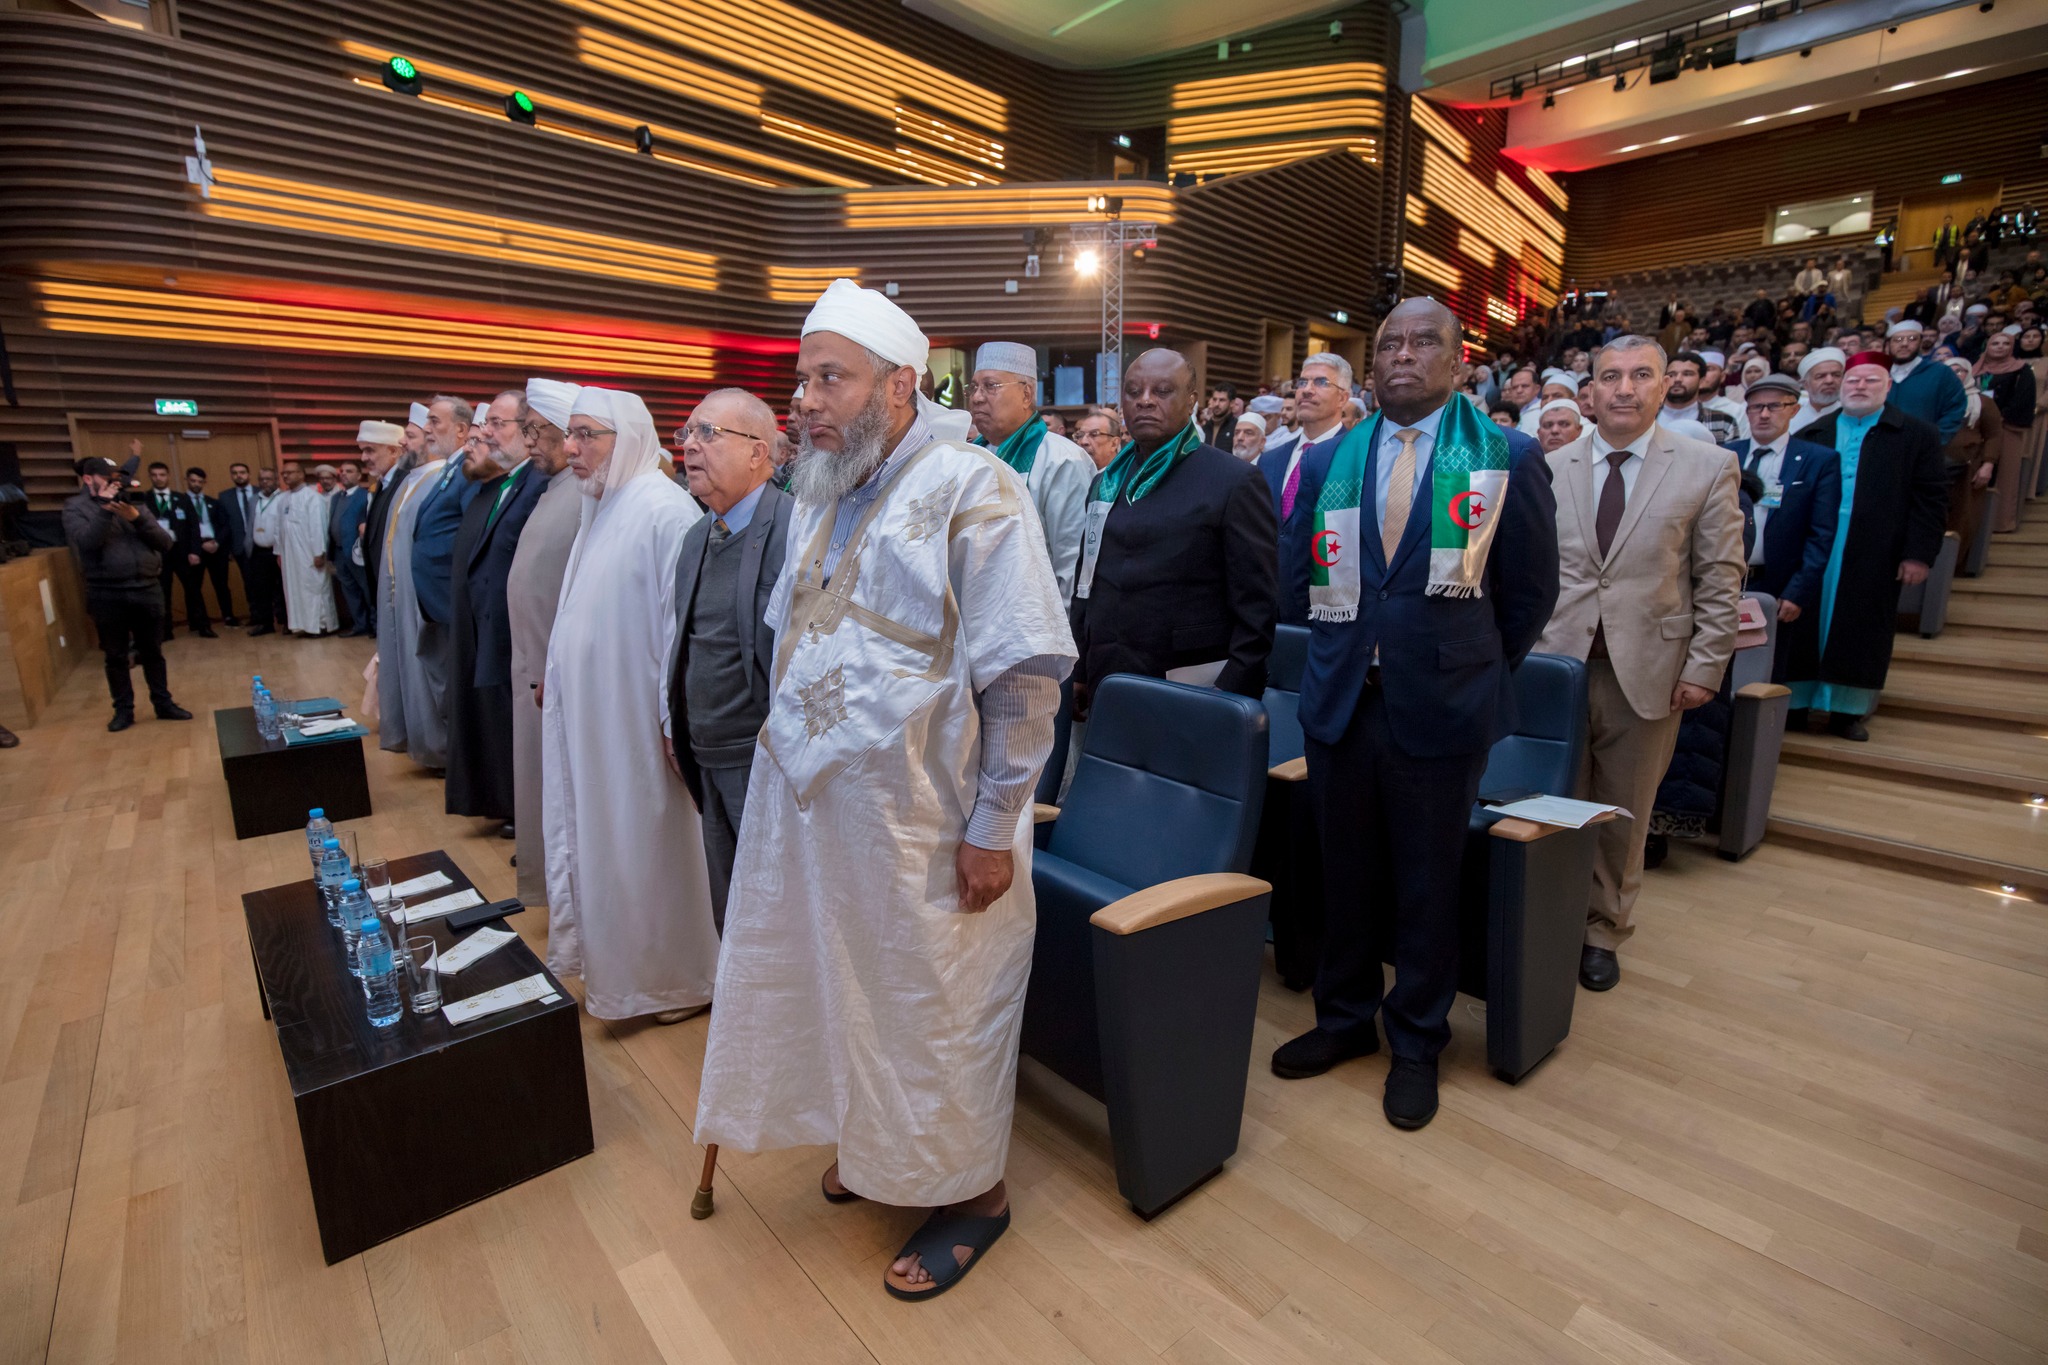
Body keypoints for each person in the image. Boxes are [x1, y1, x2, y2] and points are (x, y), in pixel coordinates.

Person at [695, 278, 1074, 1301]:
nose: (806, 400)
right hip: (826, 817)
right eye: (802, 379)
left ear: (900, 385)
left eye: (832, 378)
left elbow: (1023, 676)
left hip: (929, 823)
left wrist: (993, 823)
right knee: (849, 994)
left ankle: (974, 1194)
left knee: (934, 1004)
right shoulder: (824, 491)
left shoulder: (972, 487)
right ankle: (879, 1153)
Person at [1268, 298, 1558, 1132]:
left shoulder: (1507, 455)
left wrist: (1460, 664)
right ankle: (1344, 1018)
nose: (1403, 353)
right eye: (1390, 342)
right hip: (1341, 702)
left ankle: (1418, 1041)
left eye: (1424, 341)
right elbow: (1297, 581)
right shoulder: (1332, 457)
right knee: (1344, 873)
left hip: (1442, 704)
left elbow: (1530, 593)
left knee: (1429, 884)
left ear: (1458, 361)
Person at [1534, 336, 1745, 993]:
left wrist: (1706, 665)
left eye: (1641, 375)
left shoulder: (1707, 466)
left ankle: (1603, 931)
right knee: (1549, 805)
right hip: (1556, 667)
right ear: (1589, 391)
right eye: (1610, 377)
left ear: (1664, 386)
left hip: (1649, 669)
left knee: (1623, 812)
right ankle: (1548, 920)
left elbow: (1721, 577)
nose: (1624, 388)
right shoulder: (1548, 464)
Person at [541, 385, 718, 1026]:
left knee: (654, 849)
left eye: (587, 434)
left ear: (629, 441)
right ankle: (628, 975)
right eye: (570, 434)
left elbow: (681, 631)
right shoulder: (606, 505)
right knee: (613, 847)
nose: (571, 447)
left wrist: (673, 724)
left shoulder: (662, 510)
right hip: (601, 721)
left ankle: (680, 980)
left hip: (642, 727)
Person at [1070, 347, 1277, 706]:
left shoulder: (1234, 480)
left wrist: (1231, 688)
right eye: (1133, 391)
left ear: (1192, 400)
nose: (1145, 401)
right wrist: (1080, 670)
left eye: (1163, 391)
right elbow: (1087, 578)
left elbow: (1258, 605)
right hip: (1108, 672)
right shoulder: (1106, 481)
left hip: (1192, 683)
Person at [663, 388, 792, 929]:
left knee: (774, 916)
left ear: (758, 451)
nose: (690, 445)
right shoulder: (698, 535)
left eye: (708, 433)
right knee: (732, 914)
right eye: (687, 433)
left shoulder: (796, 529)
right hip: (705, 755)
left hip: (762, 760)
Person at [1780, 352, 1947, 742]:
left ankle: (1846, 711)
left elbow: (1931, 500)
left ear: (1888, 386)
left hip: (1876, 548)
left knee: (1861, 625)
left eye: (1871, 380)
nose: (1859, 387)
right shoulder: (1812, 434)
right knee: (1802, 621)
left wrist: (1918, 554)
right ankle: (1795, 704)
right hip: (1815, 544)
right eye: (1853, 380)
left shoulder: (1917, 435)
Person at [445, 392, 547, 825]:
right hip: (490, 625)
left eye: (497, 424)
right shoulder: (505, 482)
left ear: (528, 431)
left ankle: (520, 810)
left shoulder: (537, 483)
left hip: (517, 633)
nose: (486, 433)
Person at [506, 378, 582, 907]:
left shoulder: (583, 493)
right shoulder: (555, 488)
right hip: (533, 670)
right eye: (526, 430)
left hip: (553, 677)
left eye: (536, 430)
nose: (529, 441)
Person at [62, 458, 193, 731]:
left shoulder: (135, 503)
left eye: (116, 478)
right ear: (89, 479)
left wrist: (137, 518)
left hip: (147, 588)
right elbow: (86, 542)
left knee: (153, 652)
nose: (115, 483)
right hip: (106, 593)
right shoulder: (76, 507)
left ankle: (163, 703)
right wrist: (105, 510)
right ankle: (123, 711)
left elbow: (165, 542)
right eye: (108, 478)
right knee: (116, 656)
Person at [966, 342, 1093, 604]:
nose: (977, 397)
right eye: (974, 387)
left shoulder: (1062, 460)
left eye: (991, 386)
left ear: (1026, 394)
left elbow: (1072, 564)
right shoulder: (969, 458)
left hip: (1037, 618)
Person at [1722, 374, 1840, 648]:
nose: (1764, 414)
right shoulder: (1724, 454)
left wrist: (1797, 591)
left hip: (1778, 585)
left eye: (1774, 406)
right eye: (1756, 407)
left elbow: (1821, 535)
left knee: (1769, 662)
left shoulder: (1818, 460)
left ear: (1794, 409)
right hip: (1724, 580)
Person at [408, 396, 480, 758]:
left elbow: (470, 535)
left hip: (453, 601)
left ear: (462, 429)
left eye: (435, 421)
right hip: (438, 602)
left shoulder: (466, 470)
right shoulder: (451, 468)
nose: (427, 429)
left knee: (459, 690)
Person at [377, 420, 452, 766]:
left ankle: (437, 748)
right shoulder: (410, 480)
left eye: (410, 436)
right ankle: (414, 737)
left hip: (422, 595)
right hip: (399, 591)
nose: (403, 442)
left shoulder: (439, 478)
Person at [1261, 352, 1353, 627]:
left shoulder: (1356, 457)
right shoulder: (1271, 459)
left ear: (1343, 397)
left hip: (1327, 612)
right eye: (1302, 382)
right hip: (1267, 609)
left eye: (1321, 382)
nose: (1307, 390)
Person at [1975, 326, 2039, 533]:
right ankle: (1974, 523)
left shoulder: (2022, 370)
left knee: (2004, 475)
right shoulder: (1976, 369)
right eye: (1995, 343)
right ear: (1987, 346)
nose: (2000, 347)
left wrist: (1997, 418)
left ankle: (1999, 523)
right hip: (1977, 427)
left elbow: (2024, 400)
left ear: (2012, 347)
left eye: (2005, 343)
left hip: (2007, 427)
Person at [363, 407, 423, 603]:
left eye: (370, 450)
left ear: (393, 451)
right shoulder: (382, 483)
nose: (364, 458)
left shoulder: (407, 482)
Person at [275, 463, 339, 636]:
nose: (286, 476)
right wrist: (279, 552)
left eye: (290, 472)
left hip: (309, 554)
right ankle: (303, 626)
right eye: (283, 473)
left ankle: (321, 625)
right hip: (290, 556)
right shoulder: (283, 499)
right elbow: (278, 528)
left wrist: (319, 552)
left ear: (301, 474)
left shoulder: (313, 497)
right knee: (295, 590)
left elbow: (318, 526)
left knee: (314, 587)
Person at [1883, 321, 1967, 443]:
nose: (1904, 344)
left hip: (1924, 447)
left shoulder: (1940, 373)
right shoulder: (1878, 374)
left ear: (1921, 342)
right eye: (1898, 340)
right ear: (1888, 345)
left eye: (1912, 339)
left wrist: (1935, 440)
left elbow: (1954, 409)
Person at [173, 465, 227, 637]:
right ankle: (195, 622)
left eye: (199, 481)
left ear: (204, 482)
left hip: (214, 547)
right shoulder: (179, 502)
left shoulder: (213, 502)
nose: (196, 484)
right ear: (187, 481)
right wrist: (196, 547)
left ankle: (228, 616)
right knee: (193, 587)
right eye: (193, 480)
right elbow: (181, 530)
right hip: (194, 550)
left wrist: (217, 542)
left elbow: (224, 525)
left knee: (221, 584)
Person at [135, 458, 186, 638]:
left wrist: (194, 551)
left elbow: (193, 526)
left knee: (192, 589)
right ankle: (166, 629)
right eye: (154, 475)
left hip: (180, 551)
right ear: (150, 477)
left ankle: (200, 624)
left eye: (162, 475)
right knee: (163, 592)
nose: (158, 478)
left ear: (168, 476)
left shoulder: (181, 498)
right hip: (158, 551)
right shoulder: (143, 499)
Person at [326, 456, 372, 635]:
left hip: (357, 552)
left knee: (367, 589)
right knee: (349, 590)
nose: (344, 474)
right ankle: (360, 625)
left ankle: (375, 625)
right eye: (342, 471)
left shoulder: (366, 495)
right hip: (339, 551)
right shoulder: (336, 497)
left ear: (359, 475)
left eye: (349, 471)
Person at [213, 460, 259, 631]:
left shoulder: (260, 492)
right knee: (249, 583)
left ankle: (277, 615)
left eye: (242, 472)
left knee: (271, 582)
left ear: (249, 474)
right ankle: (256, 615)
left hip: (262, 544)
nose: (239, 476)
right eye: (235, 473)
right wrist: (228, 548)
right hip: (240, 546)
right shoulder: (224, 497)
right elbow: (224, 524)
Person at [1662, 352, 1746, 443]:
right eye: (1671, 375)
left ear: (1701, 380)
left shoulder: (1723, 422)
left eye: (1687, 374)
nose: (1678, 379)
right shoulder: (1650, 416)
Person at [1790, 346, 1846, 435]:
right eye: (1820, 376)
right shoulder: (1791, 415)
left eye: (1836, 375)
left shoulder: (1851, 414)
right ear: (1805, 384)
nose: (1829, 381)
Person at [1199, 380, 1238, 446]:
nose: (1216, 404)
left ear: (1232, 403)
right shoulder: (1206, 427)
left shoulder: (1236, 428)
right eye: (1214, 399)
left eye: (1222, 400)